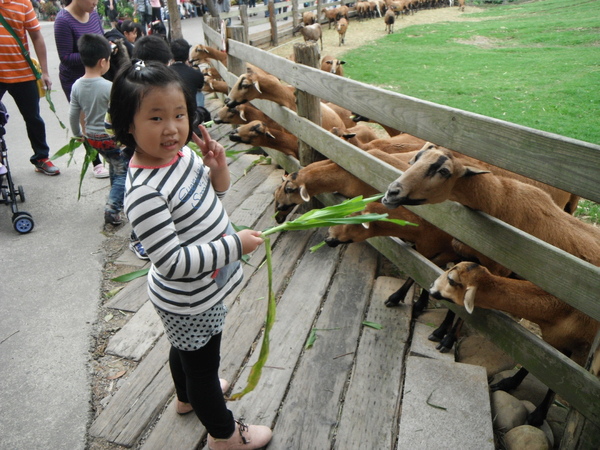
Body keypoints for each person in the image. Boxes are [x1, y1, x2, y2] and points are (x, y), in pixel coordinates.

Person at [109, 60, 273, 449]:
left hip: (204, 292)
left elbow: (209, 202)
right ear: (127, 124)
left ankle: (186, 398)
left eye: (179, 114)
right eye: (156, 117)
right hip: (188, 299)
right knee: (203, 367)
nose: (172, 127)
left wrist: (217, 170)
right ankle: (225, 435)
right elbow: (171, 261)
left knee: (187, 351)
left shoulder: (180, 158)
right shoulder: (145, 191)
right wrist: (236, 246)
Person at [69, 34, 130, 226]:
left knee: (114, 165)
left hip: (93, 139)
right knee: (123, 171)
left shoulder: (77, 85)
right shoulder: (109, 87)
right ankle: (112, 209)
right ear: (103, 62)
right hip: (111, 138)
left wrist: (79, 134)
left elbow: (73, 114)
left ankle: (115, 197)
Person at [0, 0, 60, 175]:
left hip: (23, 72)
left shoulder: (22, 3)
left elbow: (36, 36)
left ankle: (41, 158)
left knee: (33, 118)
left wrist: (45, 72)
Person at [54, 0, 108, 178]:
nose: (96, 3)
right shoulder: (63, 21)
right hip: (76, 79)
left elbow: (100, 38)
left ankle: (109, 152)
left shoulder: (92, 12)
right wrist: (94, 56)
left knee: (102, 116)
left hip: (98, 73)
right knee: (86, 120)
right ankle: (95, 162)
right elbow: (66, 57)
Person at [169, 38, 205, 108]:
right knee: (199, 93)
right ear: (188, 55)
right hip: (191, 112)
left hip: (172, 111)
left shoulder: (165, 73)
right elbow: (200, 86)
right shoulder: (196, 73)